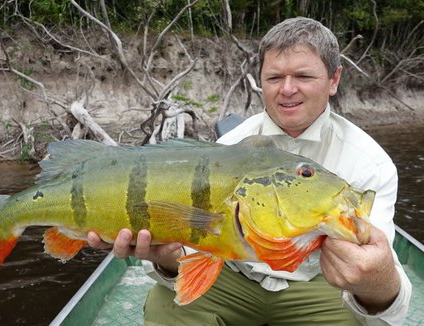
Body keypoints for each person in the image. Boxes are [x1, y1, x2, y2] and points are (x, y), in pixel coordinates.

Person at [87, 17, 412, 325]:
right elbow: (187, 249)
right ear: (261, 82)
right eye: (274, 77)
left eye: (303, 76)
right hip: (232, 274)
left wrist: (377, 283)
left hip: (318, 285)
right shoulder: (229, 146)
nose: (287, 89)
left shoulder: (369, 163)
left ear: (334, 80)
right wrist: (167, 260)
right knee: (165, 305)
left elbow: (387, 303)